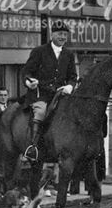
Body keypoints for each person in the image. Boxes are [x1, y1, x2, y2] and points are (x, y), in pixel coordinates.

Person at [20, 21, 78, 161]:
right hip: (40, 94)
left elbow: (73, 76)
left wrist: (69, 86)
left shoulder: (69, 54)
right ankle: (33, 147)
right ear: (52, 34)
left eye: (65, 34)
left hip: (60, 95)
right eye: (60, 34)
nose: (63, 37)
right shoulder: (39, 51)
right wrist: (29, 83)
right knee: (41, 112)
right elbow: (26, 71)